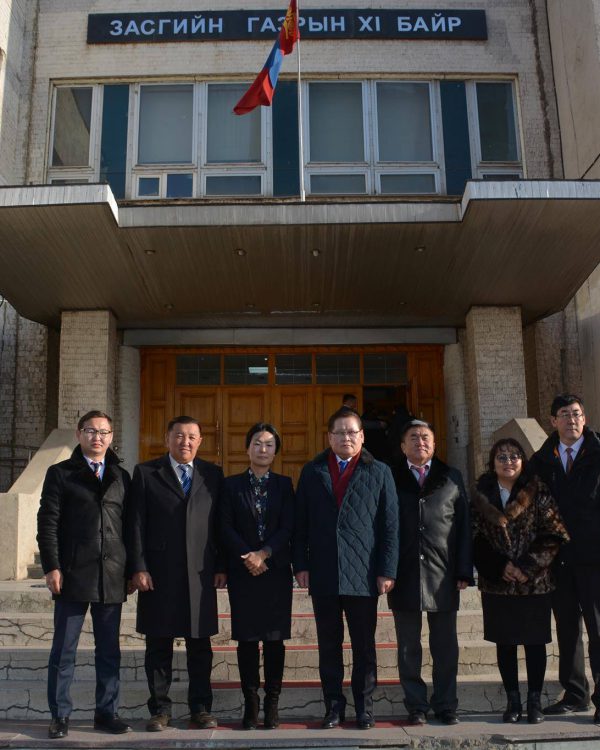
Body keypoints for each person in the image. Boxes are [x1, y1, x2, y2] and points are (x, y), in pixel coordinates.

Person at [293, 408, 399, 730]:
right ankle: (333, 707)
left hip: (363, 573)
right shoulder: (312, 471)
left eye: (352, 432)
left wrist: (387, 569)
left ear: (362, 436)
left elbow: (390, 525)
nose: (346, 438)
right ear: (329, 437)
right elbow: (300, 523)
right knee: (329, 645)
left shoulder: (379, 471)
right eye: (339, 432)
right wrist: (301, 564)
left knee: (364, 646)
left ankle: (364, 708)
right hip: (323, 571)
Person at [127, 416, 225, 731]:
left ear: (200, 441)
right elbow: (136, 524)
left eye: (192, 436)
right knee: (158, 646)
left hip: (200, 575)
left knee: (200, 646)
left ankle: (201, 708)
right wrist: (138, 567)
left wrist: (221, 566)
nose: (186, 442)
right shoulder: (146, 473)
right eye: (179, 436)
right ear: (168, 438)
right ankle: (159, 710)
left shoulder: (212, 474)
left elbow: (220, 525)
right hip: (159, 574)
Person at [37, 410, 131, 739]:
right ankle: (60, 715)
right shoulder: (60, 473)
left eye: (104, 432)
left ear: (111, 437)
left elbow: (131, 527)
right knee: (64, 650)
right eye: (91, 431)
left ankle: (107, 713)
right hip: (72, 573)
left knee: (109, 651)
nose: (97, 437)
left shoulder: (121, 476)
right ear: (79, 434)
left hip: (112, 574)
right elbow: (47, 523)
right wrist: (52, 566)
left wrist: (132, 570)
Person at [472, 438, 569, 724]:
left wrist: (527, 567)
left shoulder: (538, 490)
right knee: (505, 643)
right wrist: (499, 566)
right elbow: (473, 536)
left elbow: (554, 532)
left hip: (534, 583)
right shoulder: (481, 495)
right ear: (493, 463)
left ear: (523, 461)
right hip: (497, 584)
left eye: (514, 456)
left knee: (534, 643)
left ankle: (534, 701)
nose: (508, 461)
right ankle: (513, 701)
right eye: (501, 457)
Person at [387, 419, 472, 726]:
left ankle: (446, 704)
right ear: (402, 446)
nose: (420, 442)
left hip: (443, 572)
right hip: (404, 571)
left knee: (445, 645)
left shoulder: (451, 477)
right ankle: (416, 705)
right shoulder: (391, 477)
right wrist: (385, 569)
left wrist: (463, 569)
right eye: (413, 437)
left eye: (425, 437)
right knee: (408, 646)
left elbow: (463, 526)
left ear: (434, 444)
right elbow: (383, 526)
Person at [528, 394, 600, 724]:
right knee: (567, 628)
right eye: (564, 414)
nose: (572, 420)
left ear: (584, 418)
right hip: (558, 559)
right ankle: (575, 694)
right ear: (552, 421)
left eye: (576, 414)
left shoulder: (597, 453)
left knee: (598, 628)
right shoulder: (542, 460)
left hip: (594, 556)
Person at [220, 423, 294, 730]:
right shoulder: (231, 485)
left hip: (275, 572)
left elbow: (288, 526)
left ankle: (272, 703)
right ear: (247, 448)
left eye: (269, 444)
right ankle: (251, 704)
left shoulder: (284, 485)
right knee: (247, 641)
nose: (263, 449)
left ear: (276, 451)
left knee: (275, 641)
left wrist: (264, 554)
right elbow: (225, 526)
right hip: (243, 573)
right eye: (257, 443)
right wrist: (248, 556)